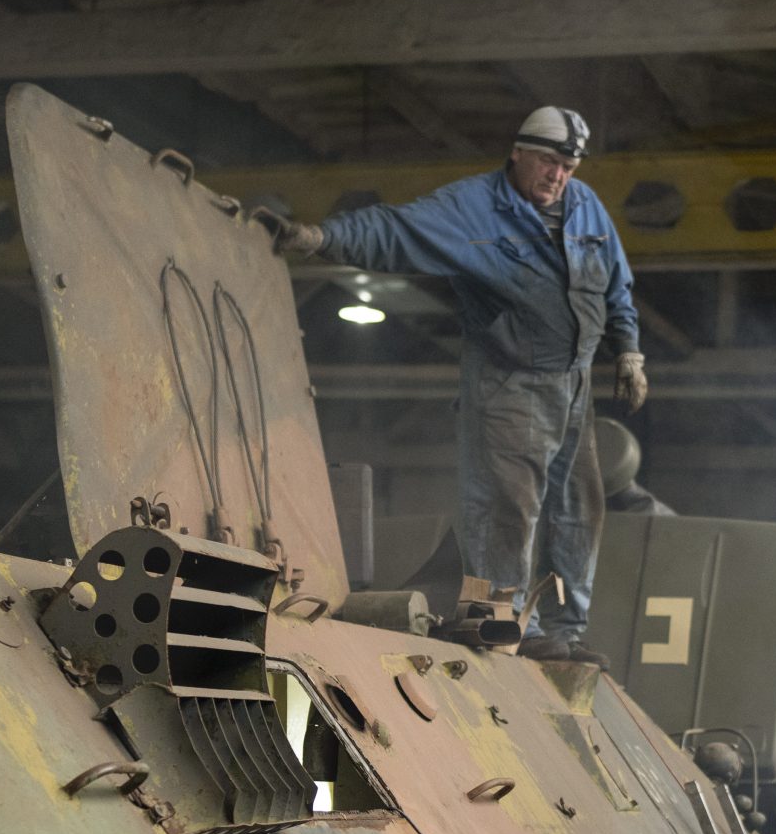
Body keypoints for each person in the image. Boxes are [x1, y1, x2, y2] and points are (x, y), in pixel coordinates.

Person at [256, 107, 642, 666]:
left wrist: (628, 350)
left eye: (568, 166)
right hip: (511, 383)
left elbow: (616, 279)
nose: (558, 176)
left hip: (574, 382)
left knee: (578, 507)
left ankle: (564, 629)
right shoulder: (475, 209)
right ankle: (499, 622)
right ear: (518, 152)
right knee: (510, 505)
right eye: (548, 162)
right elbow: (395, 229)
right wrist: (319, 237)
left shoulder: (584, 207)